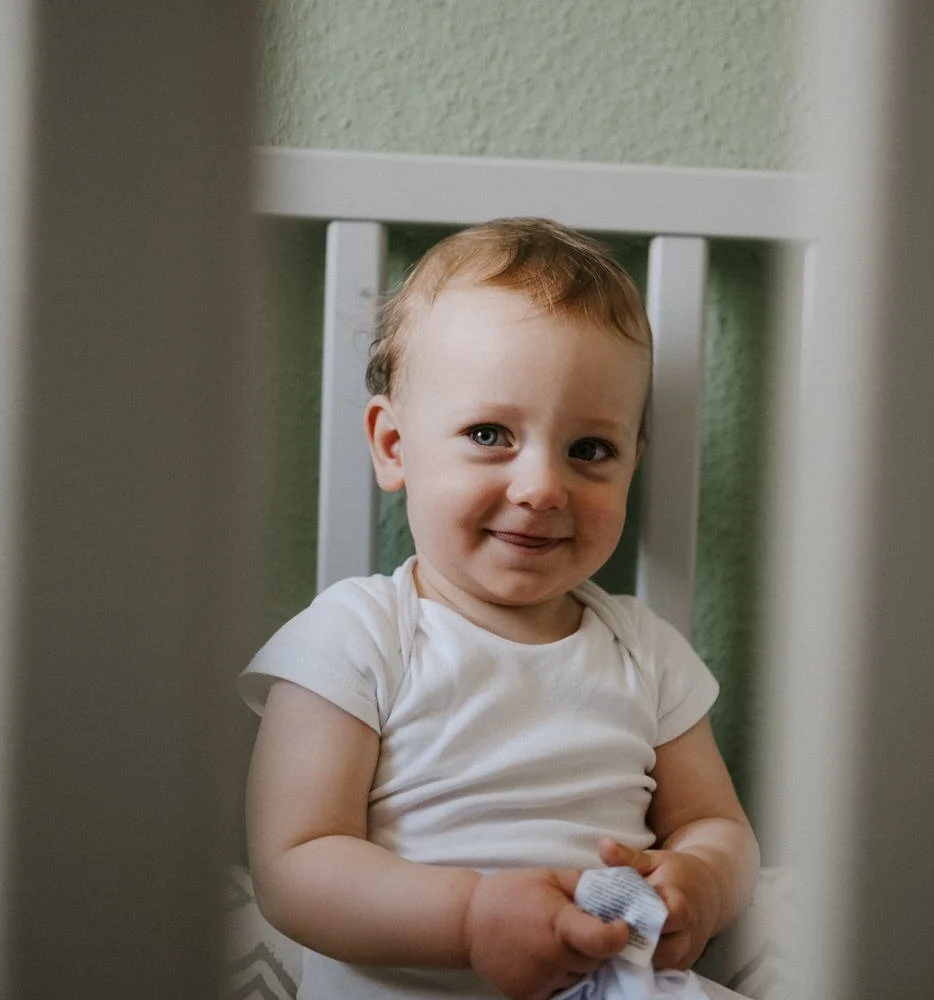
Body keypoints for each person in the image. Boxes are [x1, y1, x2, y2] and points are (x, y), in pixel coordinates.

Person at [240, 218, 759, 1000]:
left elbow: (718, 824)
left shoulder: (642, 648)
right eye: (490, 434)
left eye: (590, 450)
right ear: (393, 445)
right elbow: (297, 862)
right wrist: (472, 917)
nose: (544, 487)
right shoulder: (358, 636)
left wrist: (703, 882)